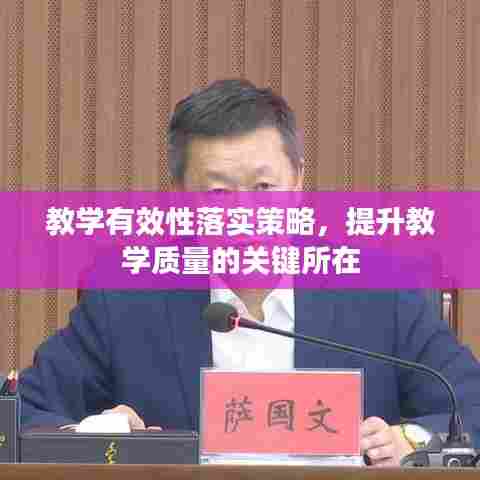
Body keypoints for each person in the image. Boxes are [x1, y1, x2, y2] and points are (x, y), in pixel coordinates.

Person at [19, 79, 480, 467]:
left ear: (297, 183)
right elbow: (25, 414)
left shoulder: (376, 288)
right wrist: (100, 434)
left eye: (264, 187)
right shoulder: (128, 297)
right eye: (218, 194)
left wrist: (412, 441)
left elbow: (470, 405)